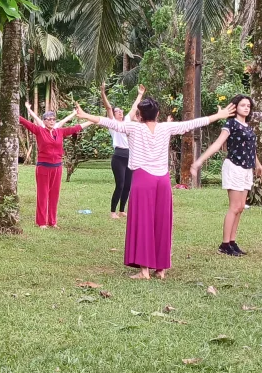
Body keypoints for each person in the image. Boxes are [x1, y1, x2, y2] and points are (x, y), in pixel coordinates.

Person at [75, 89, 234, 278]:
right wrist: (220, 114)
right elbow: (193, 123)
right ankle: (161, 269)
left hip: (143, 179)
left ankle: (145, 271)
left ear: (139, 115)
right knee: (161, 222)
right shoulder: (166, 128)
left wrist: (84, 115)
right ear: (157, 114)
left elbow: (107, 122)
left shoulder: (134, 127)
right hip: (163, 180)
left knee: (143, 221)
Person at [191, 95, 262, 256]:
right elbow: (218, 144)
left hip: (247, 169)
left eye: (248, 106)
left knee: (240, 208)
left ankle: (232, 241)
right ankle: (225, 244)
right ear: (235, 107)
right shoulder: (230, 124)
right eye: (242, 105)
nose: (246, 108)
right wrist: (198, 162)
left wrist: (258, 165)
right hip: (234, 166)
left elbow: (251, 149)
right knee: (234, 207)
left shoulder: (248, 126)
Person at [19, 102, 92, 229]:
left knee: (54, 195)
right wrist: (14, 111)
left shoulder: (60, 132)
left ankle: (52, 222)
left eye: (53, 119)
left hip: (57, 167)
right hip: (43, 167)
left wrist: (92, 121)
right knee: (43, 195)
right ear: (44, 121)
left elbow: (76, 128)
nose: (52, 121)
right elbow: (25, 122)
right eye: (49, 119)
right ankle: (41, 222)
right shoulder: (39, 131)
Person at [100, 82, 133, 219]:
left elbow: (134, 107)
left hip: (130, 156)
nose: (120, 112)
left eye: (121, 111)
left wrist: (140, 95)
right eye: (117, 111)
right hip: (118, 156)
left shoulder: (127, 122)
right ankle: (113, 211)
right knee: (119, 184)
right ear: (113, 115)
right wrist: (103, 92)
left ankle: (121, 210)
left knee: (127, 185)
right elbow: (108, 107)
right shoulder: (113, 124)